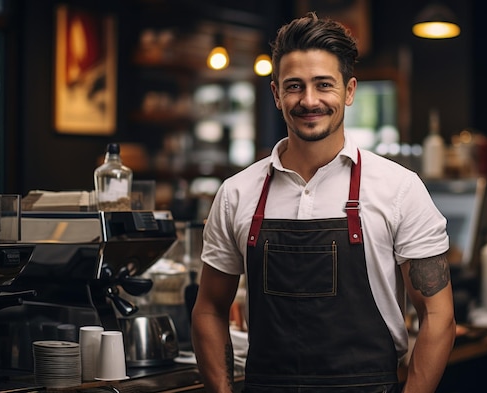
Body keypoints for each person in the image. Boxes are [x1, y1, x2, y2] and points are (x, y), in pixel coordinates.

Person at [191, 12, 456, 393]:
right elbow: (209, 309)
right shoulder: (237, 193)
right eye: (295, 86)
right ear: (276, 94)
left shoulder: (399, 189)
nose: (309, 100)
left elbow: (438, 314)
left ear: (349, 91)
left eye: (323, 85)